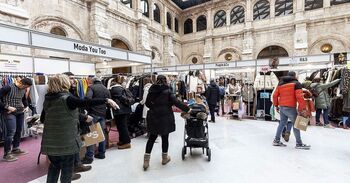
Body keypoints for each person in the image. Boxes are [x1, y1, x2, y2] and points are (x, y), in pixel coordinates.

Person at [40, 74, 117, 183]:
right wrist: (106, 100)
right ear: (63, 83)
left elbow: (43, 119)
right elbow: (85, 102)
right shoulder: (67, 98)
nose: (72, 81)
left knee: (54, 168)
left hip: (50, 143)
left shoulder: (48, 99)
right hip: (67, 142)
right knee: (67, 170)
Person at [143, 75, 190, 171]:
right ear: (165, 81)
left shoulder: (151, 90)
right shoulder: (167, 90)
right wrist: (187, 109)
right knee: (165, 138)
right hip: (165, 117)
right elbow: (176, 102)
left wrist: (155, 106)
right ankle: (164, 158)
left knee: (151, 138)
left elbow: (147, 103)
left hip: (153, 116)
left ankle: (146, 161)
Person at [63, 72, 93, 180]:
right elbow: (69, 110)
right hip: (67, 125)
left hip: (74, 123)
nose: (74, 80)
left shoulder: (71, 91)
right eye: (71, 78)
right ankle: (68, 172)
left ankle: (77, 165)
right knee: (69, 148)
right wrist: (84, 117)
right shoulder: (63, 94)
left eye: (74, 78)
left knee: (75, 146)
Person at [272, 71, 311, 149]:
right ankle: (299, 144)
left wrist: (276, 105)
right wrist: (302, 108)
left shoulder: (280, 84)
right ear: (295, 76)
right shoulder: (296, 84)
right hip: (290, 107)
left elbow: (274, 96)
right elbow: (300, 97)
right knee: (295, 125)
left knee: (282, 123)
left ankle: (276, 140)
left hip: (282, 107)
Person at [0, 78, 32, 162]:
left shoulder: (24, 89)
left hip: (20, 112)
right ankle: (7, 154)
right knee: (11, 132)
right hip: (9, 112)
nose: (25, 88)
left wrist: (26, 106)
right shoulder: (7, 88)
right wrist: (7, 107)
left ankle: (15, 148)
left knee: (18, 130)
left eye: (27, 87)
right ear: (20, 82)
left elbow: (24, 99)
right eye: (25, 86)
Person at [82, 77, 111, 164]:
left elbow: (88, 98)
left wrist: (86, 109)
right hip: (103, 113)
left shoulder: (91, 87)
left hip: (93, 113)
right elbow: (109, 101)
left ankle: (89, 157)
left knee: (91, 134)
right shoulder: (106, 89)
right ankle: (101, 153)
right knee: (101, 133)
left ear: (93, 82)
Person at [110, 76, 132, 149]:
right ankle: (122, 140)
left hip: (119, 111)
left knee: (122, 127)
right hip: (126, 109)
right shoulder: (122, 88)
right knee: (123, 126)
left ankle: (126, 143)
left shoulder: (114, 89)